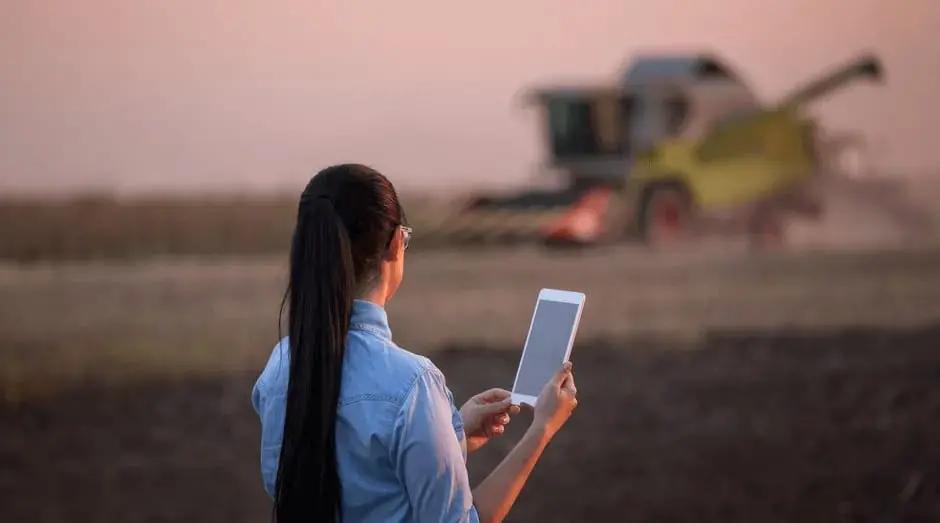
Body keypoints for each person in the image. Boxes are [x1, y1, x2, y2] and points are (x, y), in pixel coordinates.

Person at [250, 163, 579, 523]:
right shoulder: (411, 384)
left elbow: (355, 474)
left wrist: (452, 430)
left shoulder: (279, 369)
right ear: (395, 244)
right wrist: (541, 429)